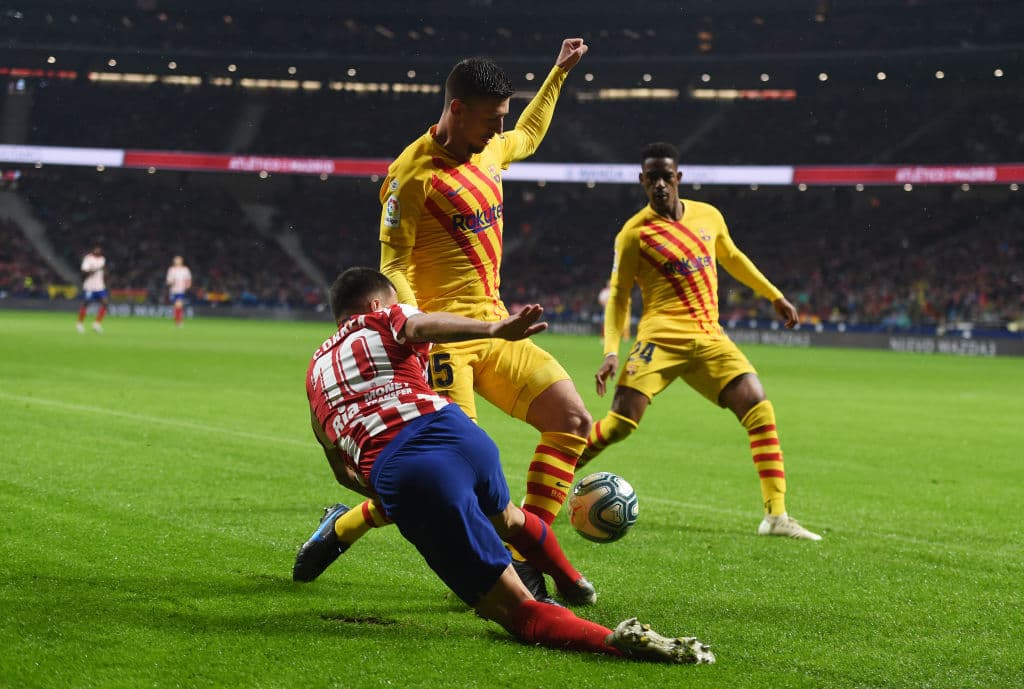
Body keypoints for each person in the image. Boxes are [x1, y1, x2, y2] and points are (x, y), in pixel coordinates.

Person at [295, 267, 715, 664]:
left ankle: (611, 640)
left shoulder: (315, 373)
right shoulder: (386, 320)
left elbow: (340, 468)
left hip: (410, 472)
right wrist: (495, 329)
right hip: (460, 434)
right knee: (510, 517)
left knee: (520, 614)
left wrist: (390, 492)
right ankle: (571, 580)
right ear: (375, 305)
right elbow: (421, 326)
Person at [297, 39, 594, 599]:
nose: (495, 131)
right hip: (444, 343)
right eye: (489, 119)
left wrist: (556, 74)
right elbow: (394, 262)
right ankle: (502, 571)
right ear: (456, 109)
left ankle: (518, 553)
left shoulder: (489, 149)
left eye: (500, 119)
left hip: (497, 324)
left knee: (573, 420)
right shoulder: (410, 177)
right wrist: (419, 326)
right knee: (457, 476)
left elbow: (527, 136)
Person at [580, 142, 822, 541]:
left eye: (666, 176)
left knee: (759, 409)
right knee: (621, 423)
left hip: (711, 338)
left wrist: (774, 295)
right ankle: (554, 483)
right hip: (660, 340)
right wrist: (611, 350)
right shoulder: (633, 235)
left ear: (679, 177)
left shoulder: (708, 216)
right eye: (651, 178)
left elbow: (734, 257)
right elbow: (619, 296)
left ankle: (776, 516)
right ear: (642, 182)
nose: (660, 184)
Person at [76, 245, 108, 333]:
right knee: (86, 303)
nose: (98, 250)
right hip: (89, 286)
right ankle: (79, 324)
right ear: (93, 250)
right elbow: (84, 271)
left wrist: (104, 272)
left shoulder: (102, 259)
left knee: (105, 303)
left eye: (99, 249)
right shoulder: (88, 258)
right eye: (96, 249)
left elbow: (103, 271)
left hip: (100, 286)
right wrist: (93, 270)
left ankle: (96, 324)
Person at [165, 255, 192, 327]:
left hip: (181, 290)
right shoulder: (171, 270)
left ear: (181, 261)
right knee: (176, 306)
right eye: (176, 260)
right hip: (173, 291)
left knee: (179, 304)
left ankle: (179, 322)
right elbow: (168, 281)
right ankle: (177, 321)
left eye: (178, 260)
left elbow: (188, 279)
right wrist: (171, 282)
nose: (177, 261)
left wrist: (188, 285)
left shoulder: (185, 269)